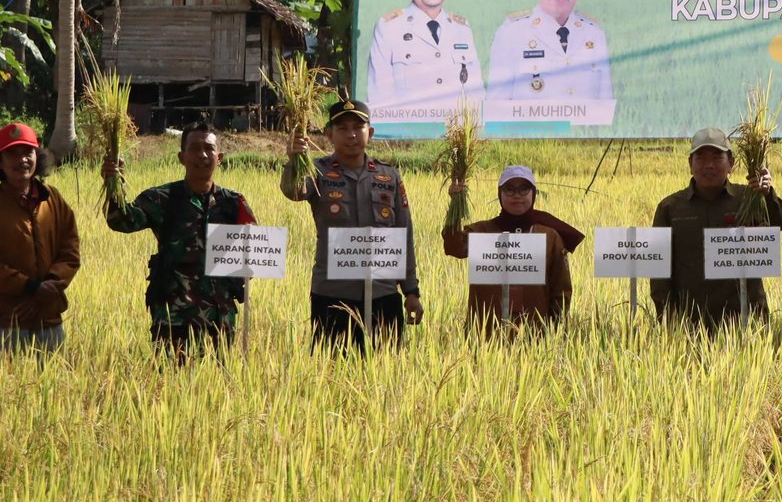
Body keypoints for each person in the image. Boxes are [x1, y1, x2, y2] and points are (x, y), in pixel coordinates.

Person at [281, 98, 423, 351]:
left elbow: (404, 234)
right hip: (333, 293)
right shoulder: (317, 172)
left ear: (371, 132)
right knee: (331, 371)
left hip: (383, 292)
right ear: (328, 134)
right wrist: (294, 159)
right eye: (342, 128)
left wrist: (411, 291)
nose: (351, 134)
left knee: (386, 374)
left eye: (358, 127)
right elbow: (293, 191)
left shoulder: (388, 176)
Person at [105, 121, 256, 357]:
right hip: (173, 316)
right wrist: (115, 185)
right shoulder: (161, 198)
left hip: (220, 317)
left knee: (217, 387)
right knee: (170, 386)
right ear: (181, 157)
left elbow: (255, 250)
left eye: (209, 148)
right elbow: (122, 222)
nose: (202, 155)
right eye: (194, 148)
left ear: (220, 157)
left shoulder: (233, 203)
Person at [650, 128, 782, 328]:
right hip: (690, 321)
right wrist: (667, 318)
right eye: (701, 158)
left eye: (717, 157)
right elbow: (658, 269)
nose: (709, 165)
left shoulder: (749, 199)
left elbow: (778, 225)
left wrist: (767, 195)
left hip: (746, 319)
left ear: (731, 163)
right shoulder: (670, 208)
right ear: (690, 164)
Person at [442, 165, 584, 332]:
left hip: (534, 335)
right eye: (509, 189)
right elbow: (454, 247)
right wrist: (455, 204)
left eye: (524, 189)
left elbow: (561, 289)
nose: (517, 195)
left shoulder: (549, 236)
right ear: (500, 194)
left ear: (533, 194)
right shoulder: (482, 231)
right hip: (485, 334)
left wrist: (556, 329)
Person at [366, 0, 485, 118]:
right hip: (407, 136)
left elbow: (476, 94)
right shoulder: (389, 28)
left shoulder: (462, 29)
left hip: (455, 136)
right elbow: (380, 98)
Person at [0, 123, 77, 353]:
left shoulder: (53, 199)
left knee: (55, 388)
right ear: (0, 162)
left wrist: (48, 288)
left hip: (49, 319)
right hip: (8, 320)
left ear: (38, 155)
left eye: (27, 152)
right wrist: (31, 287)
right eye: (11, 153)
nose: (21, 159)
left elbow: (70, 250)